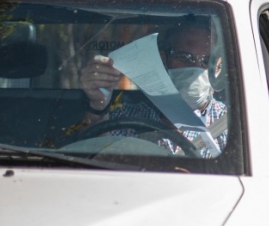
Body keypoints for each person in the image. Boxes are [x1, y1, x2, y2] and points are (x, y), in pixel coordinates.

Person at [79, 21, 227, 156]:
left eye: (206, 61)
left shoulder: (228, 122)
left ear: (217, 68)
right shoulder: (128, 115)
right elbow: (93, 157)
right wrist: (98, 106)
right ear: (163, 59)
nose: (196, 67)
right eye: (185, 56)